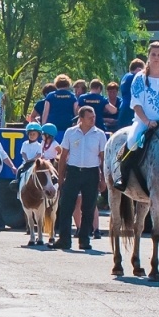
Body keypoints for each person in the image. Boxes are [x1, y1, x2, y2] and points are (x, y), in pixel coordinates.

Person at [121, 42, 159, 190]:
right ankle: (123, 178)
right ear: (148, 56)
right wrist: (147, 121)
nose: (156, 57)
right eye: (153, 54)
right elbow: (136, 104)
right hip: (144, 122)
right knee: (132, 141)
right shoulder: (139, 78)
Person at [55, 105, 106, 251]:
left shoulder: (100, 134)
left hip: (91, 173)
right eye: (90, 117)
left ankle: (84, 239)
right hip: (73, 172)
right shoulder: (70, 132)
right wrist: (60, 177)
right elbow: (63, 156)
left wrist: (103, 179)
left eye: (94, 117)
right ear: (81, 118)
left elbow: (103, 158)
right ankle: (64, 239)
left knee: (89, 207)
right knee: (66, 206)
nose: (93, 119)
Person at [115, 58, 145, 130]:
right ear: (138, 69)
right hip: (131, 109)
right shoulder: (134, 77)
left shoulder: (125, 77)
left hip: (123, 108)